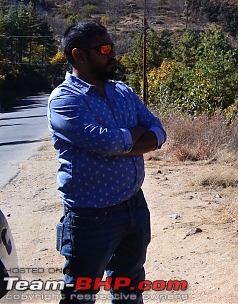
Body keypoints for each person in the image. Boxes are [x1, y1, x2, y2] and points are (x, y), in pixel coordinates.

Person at [48, 22, 167, 303]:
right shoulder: (65, 100)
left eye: (111, 47)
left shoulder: (122, 91)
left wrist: (122, 142)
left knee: (129, 286)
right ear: (79, 55)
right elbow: (104, 143)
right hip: (91, 217)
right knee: (81, 293)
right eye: (104, 49)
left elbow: (158, 132)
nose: (112, 54)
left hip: (134, 206)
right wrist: (133, 138)